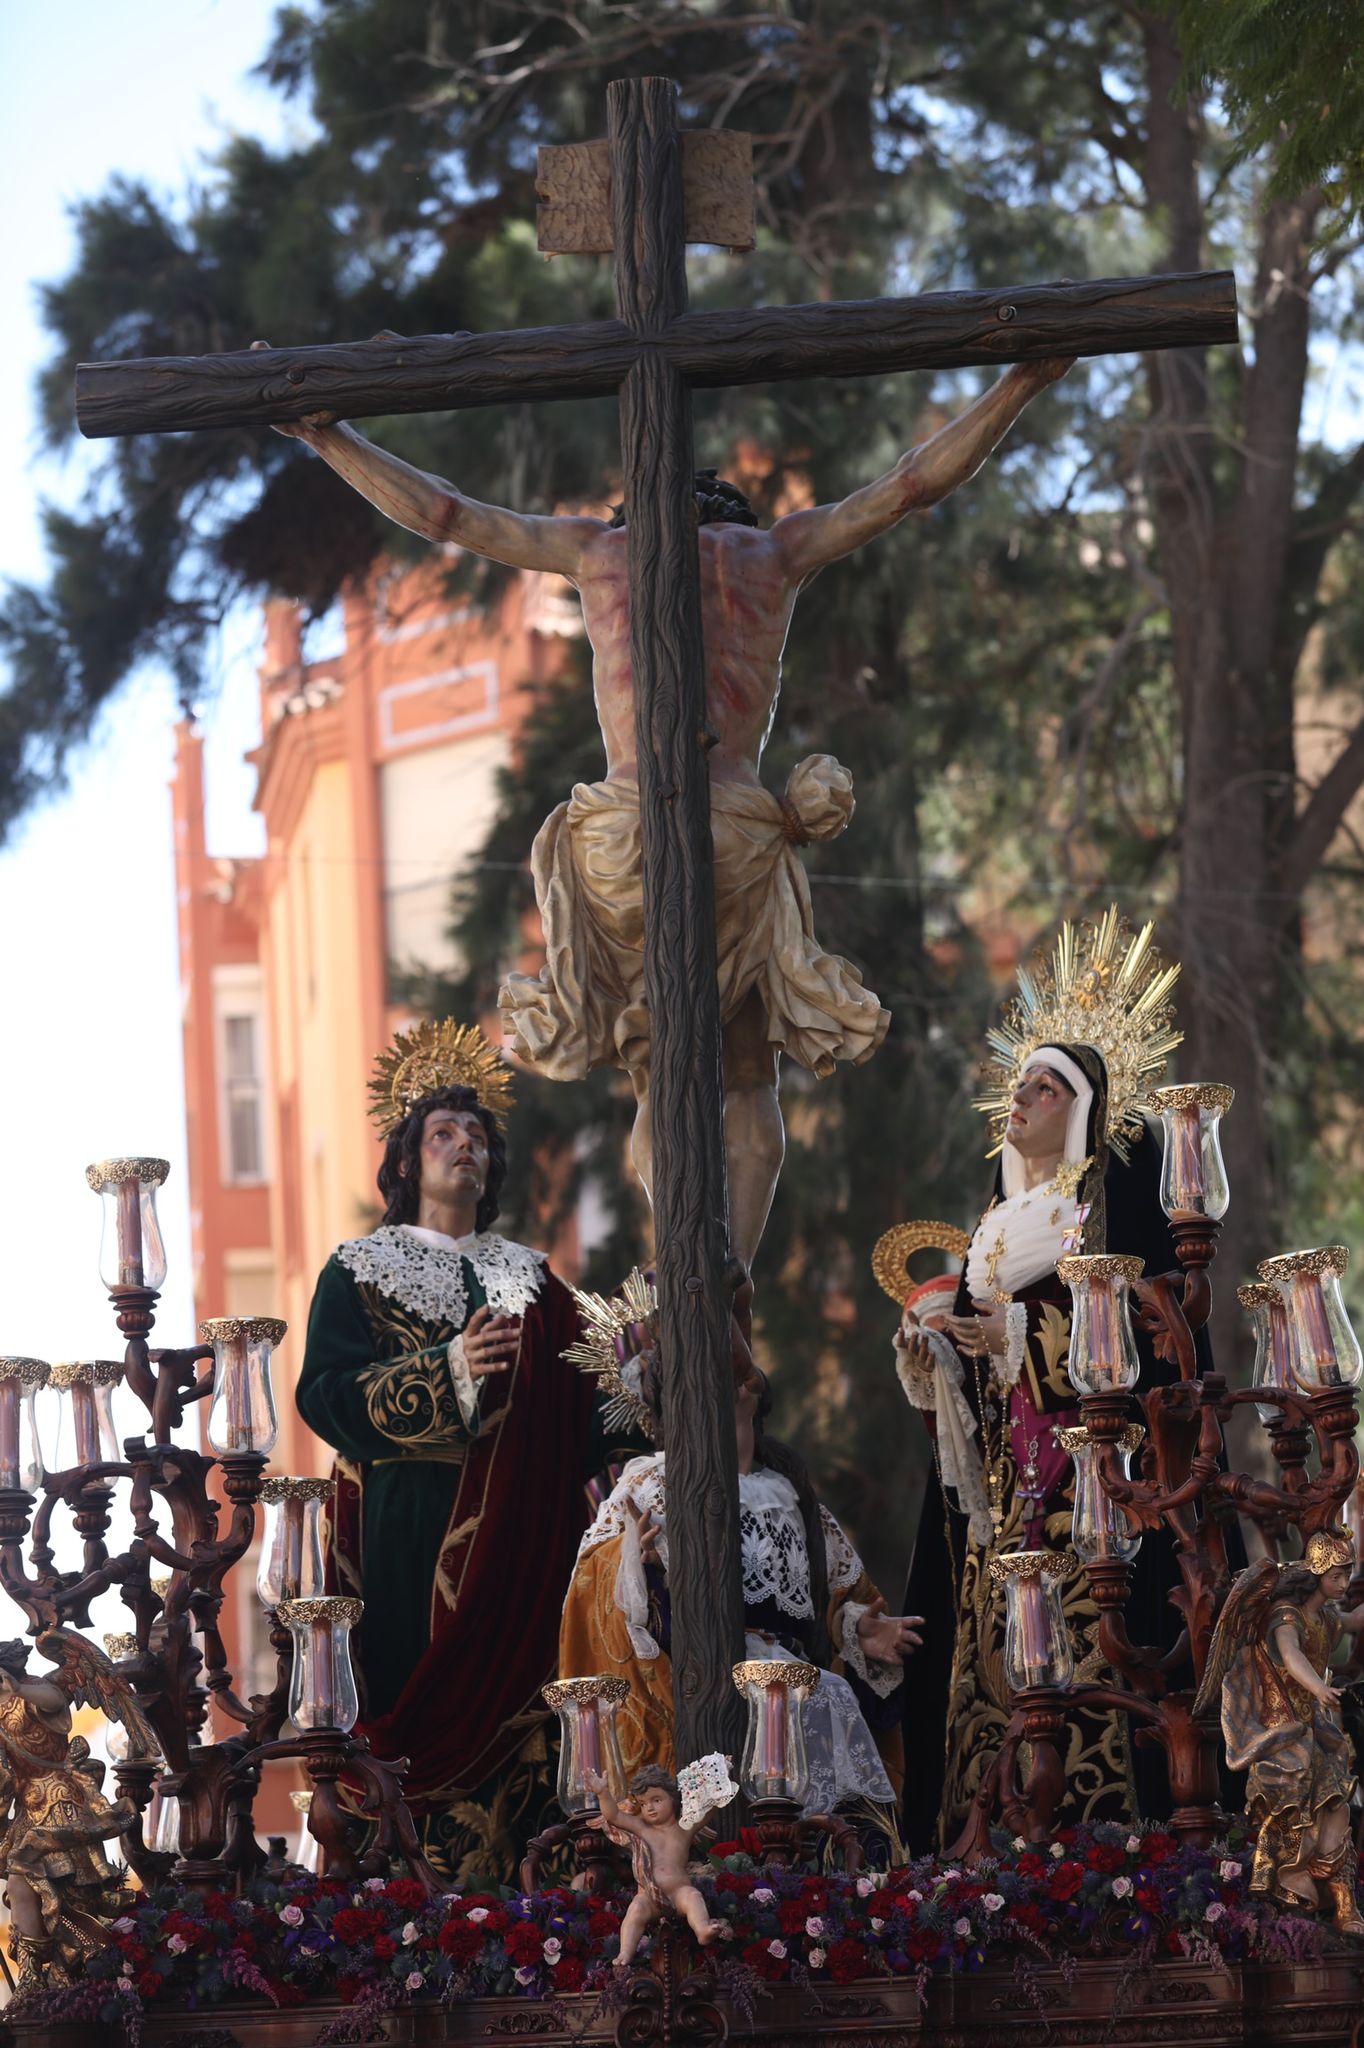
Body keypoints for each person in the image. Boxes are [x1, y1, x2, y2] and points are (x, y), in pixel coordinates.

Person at [265, 349, 1073, 1270]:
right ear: (735, 518)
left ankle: (675, 1272)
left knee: (659, 1071)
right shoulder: (775, 553)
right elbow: (913, 485)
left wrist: (331, 439)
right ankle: (724, 1281)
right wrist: (1022, 383)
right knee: (746, 1088)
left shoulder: (595, 551)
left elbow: (444, 512)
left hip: (621, 834)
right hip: (738, 834)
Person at [893, 910, 1196, 1851]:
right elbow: (982, 1384)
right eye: (1018, 1084)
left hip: (1090, 1488)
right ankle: (991, 1843)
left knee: (1082, 1667)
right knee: (991, 1675)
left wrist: (1016, 1331)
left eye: (1045, 1087)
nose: (1020, 1099)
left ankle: (1101, 1851)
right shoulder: (990, 1231)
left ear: (1086, 1112)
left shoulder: (1098, 1214)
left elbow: (1148, 1336)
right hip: (1003, 1499)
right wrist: (939, 1354)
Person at [295, 1020, 623, 1885]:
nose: (463, 1148)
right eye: (442, 1135)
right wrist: (444, 1374)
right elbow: (323, 1395)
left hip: (525, 1541)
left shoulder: (536, 1280)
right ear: (406, 1162)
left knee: (529, 1737)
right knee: (413, 1715)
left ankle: (531, 1910)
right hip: (407, 1534)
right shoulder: (359, 1270)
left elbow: (584, 1420)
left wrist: (644, 1382)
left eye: (477, 1137)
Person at [561, 1273, 918, 1824]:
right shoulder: (651, 1484)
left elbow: (826, 1597)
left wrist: (856, 1629)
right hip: (717, 1702)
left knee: (834, 1834)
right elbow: (591, 1596)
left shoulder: (792, 1493)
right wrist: (639, 1568)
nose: (735, 1375)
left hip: (803, 1700)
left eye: (737, 1367)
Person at [1195, 1532, 1364, 1933]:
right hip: (1280, 1738)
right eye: (1337, 1576)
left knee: (1337, 1805)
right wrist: (1319, 1687)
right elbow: (1291, 1654)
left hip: (1316, 1734)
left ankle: (1344, 1907)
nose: (1343, 1585)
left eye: (1348, 1576)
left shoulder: (1324, 1617)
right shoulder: (1284, 1615)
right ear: (1318, 1573)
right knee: (1292, 1820)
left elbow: (1355, 1620)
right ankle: (1290, 1906)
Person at [0, 1631, 153, 1991]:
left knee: (69, 1891)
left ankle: (78, 1969)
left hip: (60, 1802)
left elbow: (54, 1700)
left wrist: (18, 1690)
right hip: (27, 1808)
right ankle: (32, 1982)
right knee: (22, 1886)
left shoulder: (34, 1690)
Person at [586, 1763, 724, 1964]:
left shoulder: (684, 1828)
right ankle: (625, 1952)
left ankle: (702, 1929)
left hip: (678, 1892)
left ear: (673, 1799)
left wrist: (720, 1774)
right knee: (635, 1910)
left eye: (656, 1800)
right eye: (643, 1803)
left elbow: (710, 1807)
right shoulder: (642, 1828)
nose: (649, 1808)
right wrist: (602, 1793)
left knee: (693, 1896)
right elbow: (613, 1816)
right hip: (648, 1895)